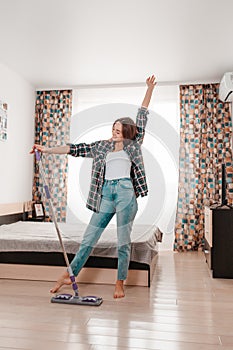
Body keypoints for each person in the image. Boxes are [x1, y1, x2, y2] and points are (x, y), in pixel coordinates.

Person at [30, 75, 156, 298]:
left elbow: (142, 115)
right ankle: (69, 275)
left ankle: (120, 282)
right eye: (114, 128)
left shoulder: (133, 146)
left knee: (123, 241)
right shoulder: (101, 147)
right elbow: (73, 149)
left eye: (118, 130)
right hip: (106, 194)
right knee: (89, 238)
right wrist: (47, 150)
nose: (114, 132)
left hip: (126, 193)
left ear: (126, 132)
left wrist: (149, 89)